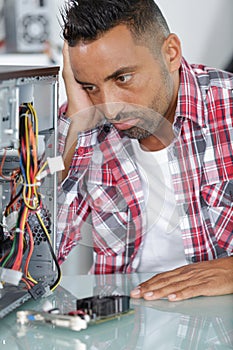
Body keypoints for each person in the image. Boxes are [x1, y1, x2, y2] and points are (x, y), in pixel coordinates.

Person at [57, 0, 233, 301]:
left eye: (122, 78)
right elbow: (30, 265)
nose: (110, 106)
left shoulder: (226, 108)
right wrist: (77, 126)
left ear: (171, 53)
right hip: (118, 329)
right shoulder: (83, 123)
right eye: (89, 86)